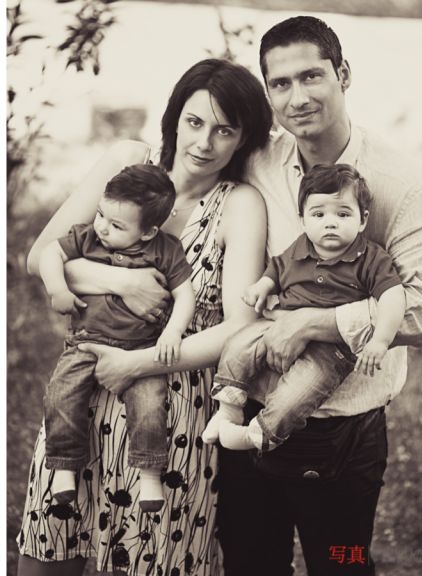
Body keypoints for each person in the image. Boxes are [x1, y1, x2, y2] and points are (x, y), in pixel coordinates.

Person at [215, 16, 422, 576]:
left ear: (343, 74)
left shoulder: (403, 184)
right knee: (249, 564)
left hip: (342, 430)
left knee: (341, 564)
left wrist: (312, 324)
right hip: (249, 406)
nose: (297, 97)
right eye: (280, 83)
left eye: (311, 76)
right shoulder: (259, 161)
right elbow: (187, 166)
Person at [17, 58, 272, 576]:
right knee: (50, 548)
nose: (203, 142)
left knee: (150, 556)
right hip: (82, 391)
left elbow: (240, 327)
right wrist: (123, 282)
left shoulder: (239, 204)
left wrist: (139, 364)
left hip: (171, 407)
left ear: (243, 139)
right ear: (175, 116)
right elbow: (40, 256)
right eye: (195, 122)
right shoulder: (127, 162)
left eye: (225, 130)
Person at [202, 163, 405, 453]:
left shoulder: (371, 258)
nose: (330, 223)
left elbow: (393, 296)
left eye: (343, 214)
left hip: (330, 348)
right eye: (318, 214)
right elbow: (276, 269)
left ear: (363, 219)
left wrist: (381, 340)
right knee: (238, 345)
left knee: (298, 393)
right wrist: (262, 287)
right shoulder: (300, 247)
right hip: (278, 325)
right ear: (303, 219)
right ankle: (228, 409)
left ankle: (258, 435)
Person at [39, 164, 196, 512]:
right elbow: (49, 254)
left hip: (141, 348)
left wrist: (173, 331)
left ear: (148, 232)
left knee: (151, 404)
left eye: (117, 225)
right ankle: (64, 467)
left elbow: (185, 294)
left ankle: (149, 474)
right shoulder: (88, 237)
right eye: (101, 214)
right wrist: (57, 289)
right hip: (86, 340)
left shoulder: (166, 250)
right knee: (61, 394)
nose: (102, 227)